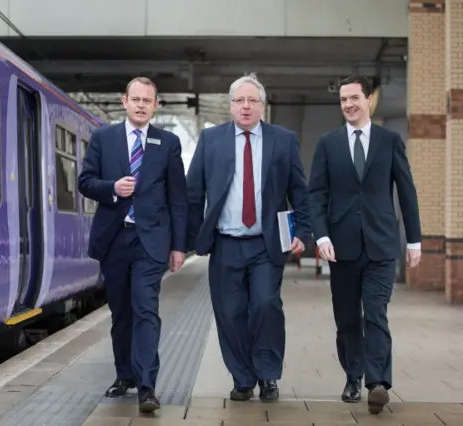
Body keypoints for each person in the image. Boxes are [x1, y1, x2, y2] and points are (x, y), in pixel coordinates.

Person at [186, 73, 311, 403]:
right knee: (230, 312)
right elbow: (193, 193)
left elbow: (299, 190)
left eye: (252, 100)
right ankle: (243, 377)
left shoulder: (283, 140)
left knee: (266, 305)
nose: (245, 106)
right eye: (239, 101)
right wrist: (185, 240)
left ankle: (268, 374)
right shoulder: (211, 140)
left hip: (265, 243)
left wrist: (302, 231)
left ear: (262, 106)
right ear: (230, 106)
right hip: (225, 243)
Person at [307, 75, 421, 414]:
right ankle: (353, 375)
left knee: (375, 314)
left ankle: (378, 382)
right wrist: (322, 235)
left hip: (381, 245)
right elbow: (316, 194)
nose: (348, 104)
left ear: (369, 100)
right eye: (343, 99)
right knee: (346, 319)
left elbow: (407, 191)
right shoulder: (328, 143)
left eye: (354, 97)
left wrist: (413, 240)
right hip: (341, 247)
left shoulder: (389, 141)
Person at [78, 76, 188, 413]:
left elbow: (178, 199)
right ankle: (124, 375)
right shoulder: (103, 138)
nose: (141, 105)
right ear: (124, 101)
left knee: (145, 310)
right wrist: (113, 187)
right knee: (121, 312)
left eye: (147, 100)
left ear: (156, 106)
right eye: (135, 99)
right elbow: (84, 182)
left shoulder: (168, 143)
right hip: (115, 239)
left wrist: (179, 246)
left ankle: (147, 386)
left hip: (151, 242)